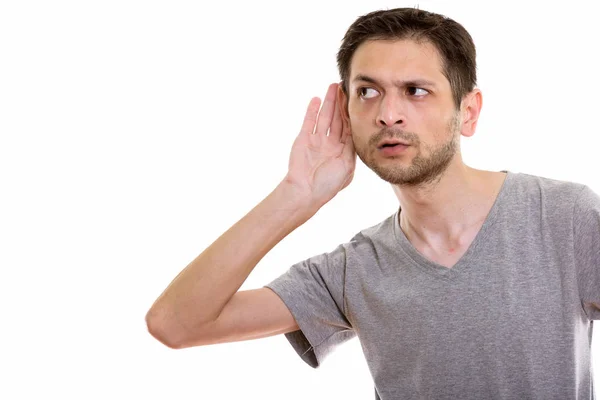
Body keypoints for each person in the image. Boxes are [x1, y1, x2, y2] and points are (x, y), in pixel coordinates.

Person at [145, 7, 600, 399]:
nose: (388, 113)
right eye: (367, 92)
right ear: (347, 111)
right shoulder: (351, 271)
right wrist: (296, 196)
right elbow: (175, 323)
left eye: (416, 91)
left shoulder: (563, 218)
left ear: (469, 111)